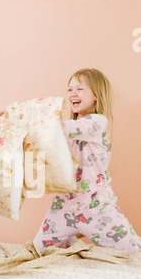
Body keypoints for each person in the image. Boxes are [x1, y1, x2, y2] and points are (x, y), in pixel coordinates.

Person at [33, 68, 141, 255]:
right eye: (69, 89)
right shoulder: (67, 129)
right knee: (36, 252)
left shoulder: (98, 122)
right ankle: (71, 243)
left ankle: (74, 242)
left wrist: (31, 120)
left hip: (96, 207)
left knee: (135, 252)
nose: (73, 93)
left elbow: (64, 128)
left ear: (96, 96)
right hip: (64, 207)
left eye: (80, 89)